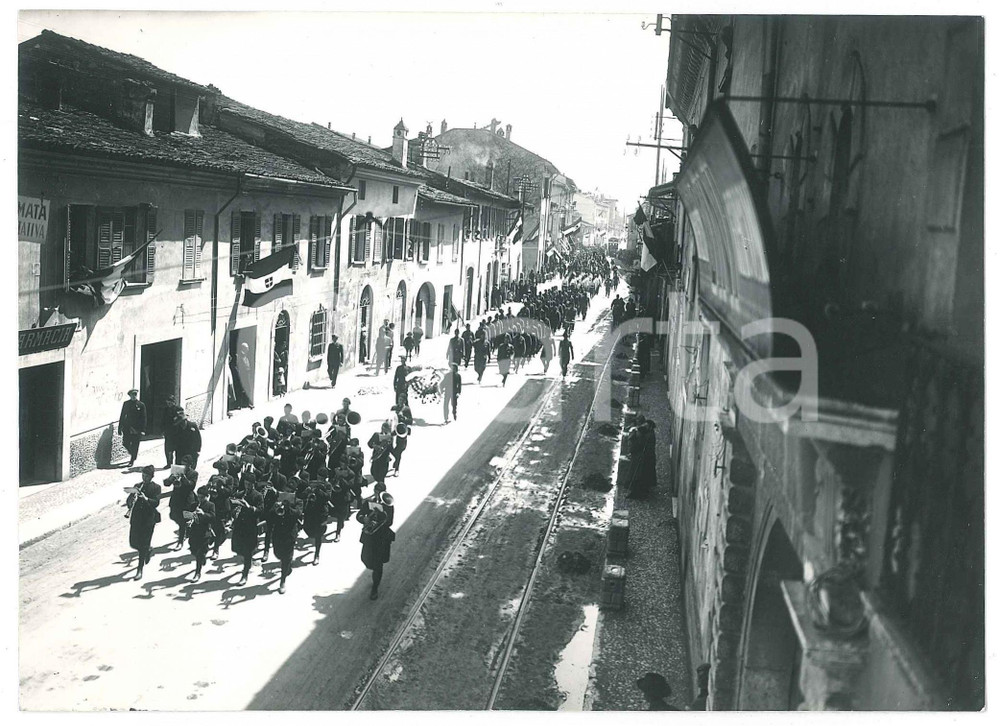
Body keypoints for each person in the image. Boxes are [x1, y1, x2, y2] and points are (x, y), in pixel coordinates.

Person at [357, 490, 396, 600]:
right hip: (369, 537)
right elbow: (359, 515)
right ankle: (374, 571)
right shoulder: (368, 502)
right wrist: (363, 519)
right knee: (365, 558)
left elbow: (390, 522)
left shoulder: (389, 504)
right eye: (377, 492)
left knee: (378, 565)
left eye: (381, 492)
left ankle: (375, 588)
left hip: (382, 539)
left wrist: (381, 515)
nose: (378, 495)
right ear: (375, 492)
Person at [125, 465, 161, 580]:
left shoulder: (156, 487)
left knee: (142, 546)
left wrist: (145, 499)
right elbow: (129, 501)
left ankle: (139, 570)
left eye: (146, 476)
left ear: (151, 477)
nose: (144, 478)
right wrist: (131, 499)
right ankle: (148, 550)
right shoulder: (137, 486)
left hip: (148, 520)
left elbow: (156, 502)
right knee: (133, 543)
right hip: (136, 519)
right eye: (143, 475)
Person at [230, 479, 264, 585]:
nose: (247, 486)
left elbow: (260, 510)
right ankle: (248, 562)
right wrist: (234, 511)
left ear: (253, 484)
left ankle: (244, 575)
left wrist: (249, 507)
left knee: (247, 550)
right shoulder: (240, 493)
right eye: (246, 483)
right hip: (240, 525)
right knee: (237, 547)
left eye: (249, 484)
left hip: (250, 526)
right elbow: (232, 506)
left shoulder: (258, 495)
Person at [268, 494, 301, 594]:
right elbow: (270, 516)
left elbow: (297, 514)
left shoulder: (298, 501)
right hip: (278, 535)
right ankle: (287, 565)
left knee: (285, 558)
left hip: (289, 535)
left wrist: (288, 507)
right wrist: (275, 508)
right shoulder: (277, 501)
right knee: (278, 554)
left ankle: (282, 581)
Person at [164, 462, 198, 550]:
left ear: (190, 465)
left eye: (185, 465)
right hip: (176, 499)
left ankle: (180, 542)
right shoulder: (177, 471)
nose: (183, 466)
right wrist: (171, 478)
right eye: (182, 464)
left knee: (182, 521)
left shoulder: (193, 473)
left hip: (186, 500)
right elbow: (166, 483)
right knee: (173, 516)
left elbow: (191, 486)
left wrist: (184, 478)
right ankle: (186, 526)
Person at [187, 486, 217, 582]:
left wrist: (203, 513)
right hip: (194, 531)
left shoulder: (210, 505)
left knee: (199, 553)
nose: (200, 499)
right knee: (193, 550)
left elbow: (212, 517)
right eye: (198, 497)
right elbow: (188, 515)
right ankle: (202, 557)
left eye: (202, 497)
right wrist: (188, 520)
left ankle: (197, 572)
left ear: (207, 497)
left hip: (204, 532)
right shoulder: (194, 505)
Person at [302, 484, 330, 566]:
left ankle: (317, 555)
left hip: (320, 515)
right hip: (310, 514)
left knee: (318, 536)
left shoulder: (326, 485)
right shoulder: (310, 486)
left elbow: (328, 497)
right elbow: (301, 495)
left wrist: (318, 490)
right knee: (309, 532)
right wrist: (307, 492)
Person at [118, 389, 147, 468]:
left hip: (137, 428)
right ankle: (133, 454)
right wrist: (120, 428)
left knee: (135, 444)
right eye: (132, 394)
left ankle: (132, 460)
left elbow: (144, 418)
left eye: (135, 394)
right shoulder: (126, 404)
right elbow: (122, 415)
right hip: (127, 427)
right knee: (125, 443)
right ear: (130, 395)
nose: (134, 396)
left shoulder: (141, 405)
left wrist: (143, 430)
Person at [160, 394, 183, 469]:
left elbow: (182, 419)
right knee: (168, 449)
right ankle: (169, 463)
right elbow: (162, 420)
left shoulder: (179, 409)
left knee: (177, 449)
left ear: (174, 402)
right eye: (168, 402)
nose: (169, 404)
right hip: (168, 433)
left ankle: (177, 463)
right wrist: (162, 430)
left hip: (177, 433)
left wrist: (175, 423)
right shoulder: (165, 410)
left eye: (170, 402)